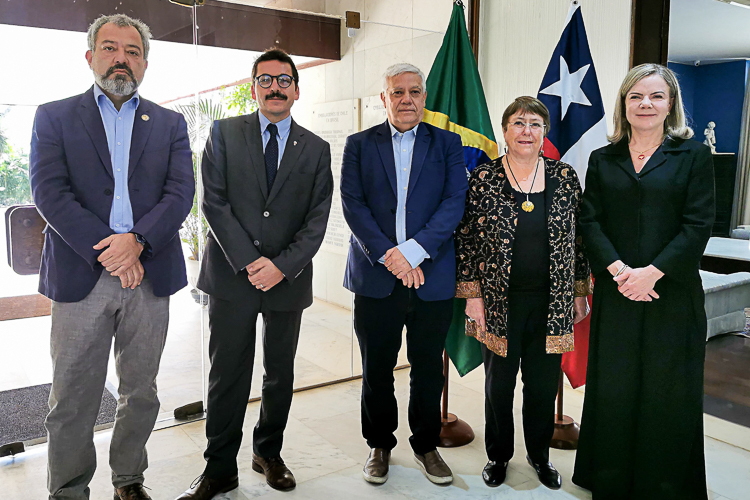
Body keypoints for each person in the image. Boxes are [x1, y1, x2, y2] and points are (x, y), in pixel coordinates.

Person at [29, 14, 195, 500]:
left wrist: (137, 242)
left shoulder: (169, 123)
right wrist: (112, 251)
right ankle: (69, 490)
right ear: (90, 57)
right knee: (73, 396)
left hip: (150, 273)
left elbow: (180, 192)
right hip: (82, 273)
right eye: (110, 48)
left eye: (132, 50)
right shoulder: (54, 116)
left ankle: (129, 481)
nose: (121, 57)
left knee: (140, 391)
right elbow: (49, 192)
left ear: (144, 62)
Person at [175, 49, 333, 499]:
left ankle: (269, 452)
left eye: (284, 80)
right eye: (265, 80)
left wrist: (281, 266)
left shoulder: (316, 149)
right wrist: (249, 262)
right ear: (253, 88)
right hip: (231, 277)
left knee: (279, 374)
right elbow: (213, 202)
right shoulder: (224, 134)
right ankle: (219, 469)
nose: (275, 87)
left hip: (288, 281)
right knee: (227, 375)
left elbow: (317, 219)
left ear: (296, 90)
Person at [572, 63, 715, 499]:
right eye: (636, 96)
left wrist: (651, 273)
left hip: (670, 293)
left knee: (667, 390)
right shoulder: (603, 157)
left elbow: (698, 224)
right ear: (624, 104)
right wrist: (618, 272)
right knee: (615, 387)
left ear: (670, 104)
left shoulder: (693, 156)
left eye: (655, 96)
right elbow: (589, 222)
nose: (645, 104)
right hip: (618, 293)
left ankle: (663, 484)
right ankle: (610, 480)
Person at [341, 63, 468, 486]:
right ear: (384, 98)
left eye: (414, 91)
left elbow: (454, 203)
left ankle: (427, 445)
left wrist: (413, 253)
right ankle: (379, 445)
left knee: (428, 367)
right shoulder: (359, 144)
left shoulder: (449, 144)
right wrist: (390, 256)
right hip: (376, 276)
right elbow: (353, 205)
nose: (407, 99)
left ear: (425, 97)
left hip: (430, 276)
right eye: (398, 92)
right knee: (377, 368)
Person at [455, 96, 591, 490]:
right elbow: (466, 239)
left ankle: (539, 454)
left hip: (551, 304)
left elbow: (578, 239)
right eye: (518, 123)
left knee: (543, 386)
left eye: (535, 124)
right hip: (498, 303)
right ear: (505, 131)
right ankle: (498, 455)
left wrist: (579, 291)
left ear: (544, 132)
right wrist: (473, 295)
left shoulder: (564, 177)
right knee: (499, 385)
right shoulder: (484, 178)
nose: (526, 131)